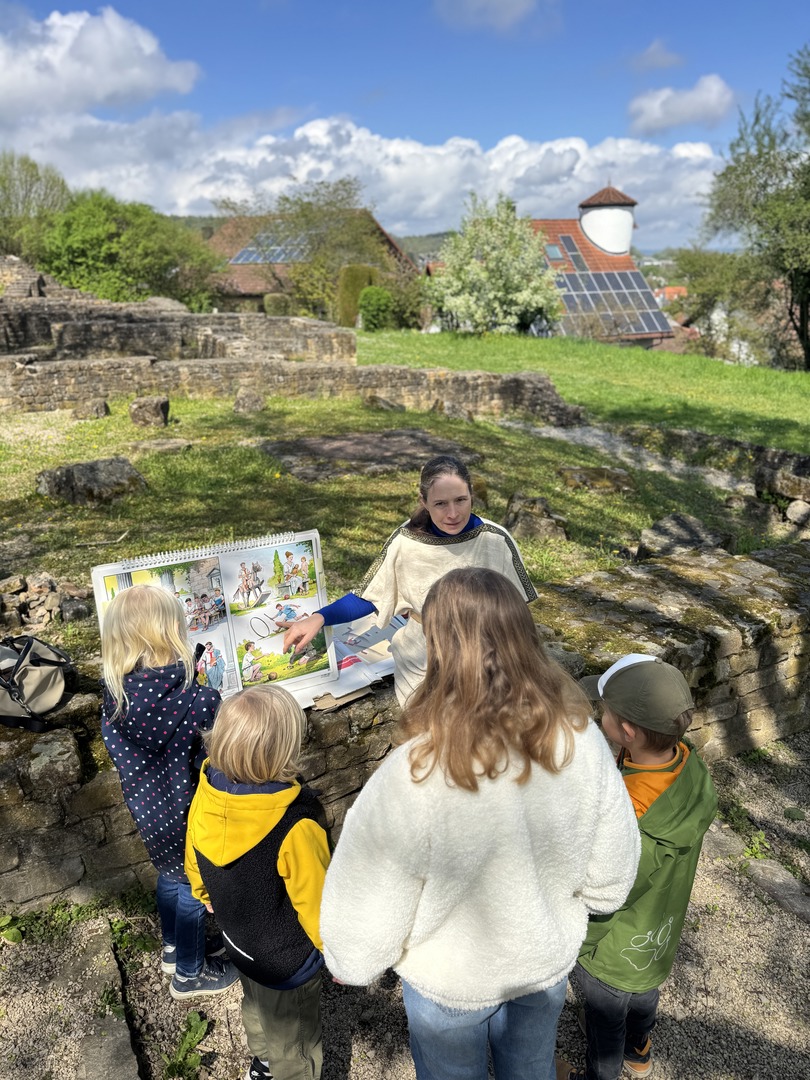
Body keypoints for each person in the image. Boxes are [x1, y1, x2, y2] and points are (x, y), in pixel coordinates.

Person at [320, 568, 641, 1080]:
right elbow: (610, 877)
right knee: (531, 1068)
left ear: (439, 648)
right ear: (523, 635)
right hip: (540, 962)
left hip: (449, 979)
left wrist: (352, 958)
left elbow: (370, 888)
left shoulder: (412, 773)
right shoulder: (580, 740)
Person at [560, 655, 718, 1080]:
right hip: (658, 934)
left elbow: (611, 884)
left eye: (605, 713)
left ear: (626, 731)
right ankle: (640, 1050)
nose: (600, 716)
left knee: (605, 1018)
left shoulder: (628, 808)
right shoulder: (687, 764)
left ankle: (601, 1073)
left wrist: (580, 936)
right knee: (645, 994)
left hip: (615, 945)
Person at [283, 455, 537, 705]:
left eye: (461, 500)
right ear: (423, 501)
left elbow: (517, 614)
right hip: (423, 658)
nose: (452, 513)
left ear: (472, 494)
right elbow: (372, 594)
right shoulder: (406, 540)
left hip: (488, 655)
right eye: (440, 504)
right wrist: (320, 617)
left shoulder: (495, 540)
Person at [100, 585, 239, 1001]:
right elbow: (221, 760)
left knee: (169, 879)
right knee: (195, 890)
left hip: (150, 816)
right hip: (193, 817)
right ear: (173, 633)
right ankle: (189, 974)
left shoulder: (114, 697)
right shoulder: (200, 701)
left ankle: (174, 947)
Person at [185, 685, 331, 1080]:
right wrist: (335, 951)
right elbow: (317, 902)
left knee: (255, 1006)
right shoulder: (296, 823)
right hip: (287, 960)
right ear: (286, 750)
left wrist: (203, 893)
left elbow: (193, 849)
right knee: (295, 1040)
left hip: (238, 941)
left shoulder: (208, 790)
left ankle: (263, 1064)